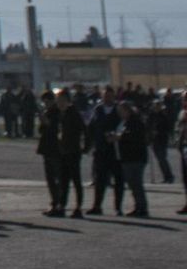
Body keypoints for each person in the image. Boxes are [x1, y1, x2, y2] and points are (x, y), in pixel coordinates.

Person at [87, 87, 122, 215]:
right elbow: (91, 127)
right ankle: (97, 206)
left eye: (110, 96)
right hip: (100, 150)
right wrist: (89, 144)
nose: (108, 98)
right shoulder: (98, 110)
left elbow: (124, 125)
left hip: (115, 150)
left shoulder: (118, 110)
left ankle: (118, 207)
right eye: (105, 96)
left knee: (118, 180)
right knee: (99, 180)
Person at [112, 101, 149, 217]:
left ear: (128, 110)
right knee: (132, 183)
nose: (120, 113)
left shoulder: (135, 121)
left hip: (135, 157)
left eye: (122, 111)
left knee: (136, 183)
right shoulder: (124, 122)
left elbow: (135, 137)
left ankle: (142, 207)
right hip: (126, 156)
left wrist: (120, 137)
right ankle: (138, 205)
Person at [55, 90, 86, 218]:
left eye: (62, 101)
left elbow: (84, 130)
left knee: (76, 179)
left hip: (73, 151)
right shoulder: (60, 114)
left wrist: (84, 147)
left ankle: (78, 207)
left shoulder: (73, 113)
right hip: (63, 151)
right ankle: (62, 205)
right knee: (63, 180)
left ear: (67, 101)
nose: (59, 103)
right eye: (58, 101)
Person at [35, 91, 62, 216]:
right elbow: (41, 130)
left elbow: (54, 127)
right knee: (50, 178)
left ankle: (58, 203)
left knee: (57, 178)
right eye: (44, 102)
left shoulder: (57, 112)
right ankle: (54, 202)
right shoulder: (47, 112)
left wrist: (45, 120)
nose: (45, 104)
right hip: (46, 148)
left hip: (55, 148)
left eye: (47, 101)